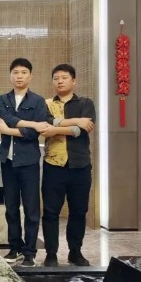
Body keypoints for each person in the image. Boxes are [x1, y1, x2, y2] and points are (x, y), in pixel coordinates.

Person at [39, 64, 96, 267]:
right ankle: (51, 254)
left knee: (78, 212)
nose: (60, 81)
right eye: (56, 78)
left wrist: (56, 128)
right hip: (53, 165)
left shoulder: (86, 103)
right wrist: (75, 121)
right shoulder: (46, 104)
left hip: (80, 165)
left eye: (64, 77)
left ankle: (75, 252)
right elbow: (45, 123)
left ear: (74, 81)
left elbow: (82, 130)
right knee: (50, 212)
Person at [0, 58, 48, 267]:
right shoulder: (2, 99)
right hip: (8, 161)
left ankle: (30, 252)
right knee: (11, 208)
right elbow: (5, 118)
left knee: (31, 208)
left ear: (30, 76)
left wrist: (9, 130)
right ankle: (14, 247)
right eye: (15, 72)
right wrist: (32, 124)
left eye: (24, 72)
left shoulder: (38, 101)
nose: (19, 76)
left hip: (29, 161)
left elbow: (34, 134)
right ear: (10, 75)